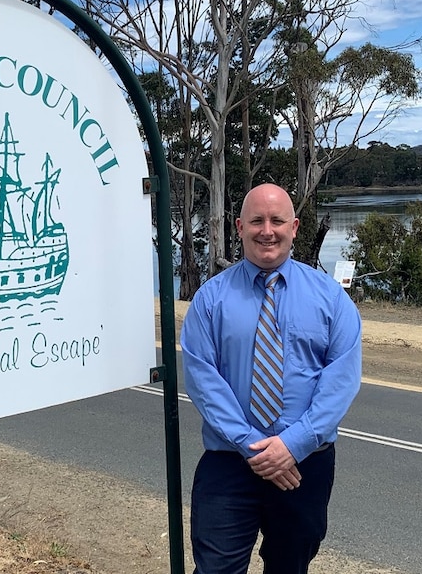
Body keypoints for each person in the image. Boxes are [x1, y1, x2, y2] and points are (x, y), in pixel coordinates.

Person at [180, 183, 362, 574]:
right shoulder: (210, 300)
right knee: (215, 569)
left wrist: (292, 445)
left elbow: (341, 380)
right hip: (229, 462)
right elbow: (201, 378)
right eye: (257, 220)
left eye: (277, 220)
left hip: (303, 466)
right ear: (239, 226)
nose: (267, 230)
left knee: (289, 568)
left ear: (294, 227)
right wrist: (254, 447)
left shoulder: (331, 299)